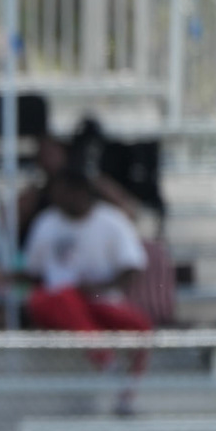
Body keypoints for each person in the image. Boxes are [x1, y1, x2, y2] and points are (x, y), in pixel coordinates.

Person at [22, 170, 152, 412]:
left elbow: (133, 266)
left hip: (99, 300)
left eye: (62, 193)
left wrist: (98, 287)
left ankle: (127, 395)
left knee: (140, 326)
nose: (56, 198)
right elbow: (34, 272)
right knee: (60, 296)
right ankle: (103, 357)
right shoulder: (46, 222)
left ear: (80, 192)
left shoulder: (111, 219)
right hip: (59, 304)